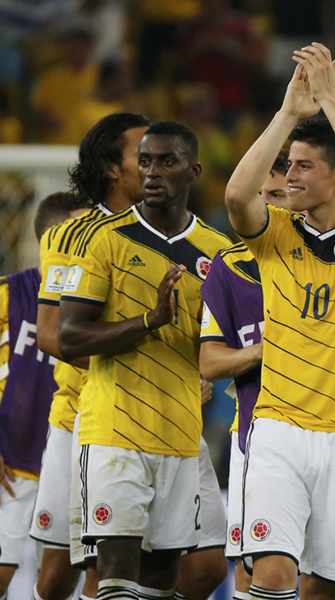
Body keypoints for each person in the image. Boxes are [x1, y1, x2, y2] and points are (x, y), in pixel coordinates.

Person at [224, 44, 335, 600]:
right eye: (289, 165)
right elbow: (235, 194)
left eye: (304, 166)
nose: (291, 175)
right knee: (273, 575)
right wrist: (287, 117)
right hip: (279, 431)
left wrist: (329, 99)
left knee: (324, 590)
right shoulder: (276, 232)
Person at [57, 121, 230, 600]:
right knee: (116, 570)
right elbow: (70, 338)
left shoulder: (219, 254)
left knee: (160, 580)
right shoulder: (104, 240)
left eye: (166, 162)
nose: (152, 172)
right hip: (114, 432)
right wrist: (149, 321)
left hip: (178, 435)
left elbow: (219, 342)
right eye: (146, 161)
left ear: (193, 170)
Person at [33, 111, 150, 600]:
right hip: (83, 415)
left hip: (157, 417)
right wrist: (138, 370)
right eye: (142, 155)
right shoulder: (70, 236)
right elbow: (50, 334)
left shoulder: (174, 232)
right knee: (66, 572)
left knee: (195, 566)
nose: (154, 165)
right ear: (111, 168)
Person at [199, 151, 289, 600]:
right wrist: (264, 349)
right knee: (253, 573)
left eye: (276, 195)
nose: (265, 206)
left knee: (322, 577)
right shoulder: (229, 267)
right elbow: (210, 362)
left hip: (334, 429)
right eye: (259, 197)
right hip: (255, 435)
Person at [0, 193, 87, 599]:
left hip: (77, 452)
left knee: (70, 576)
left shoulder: (98, 298)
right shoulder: (8, 294)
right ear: (54, 238)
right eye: (81, 230)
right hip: (12, 463)